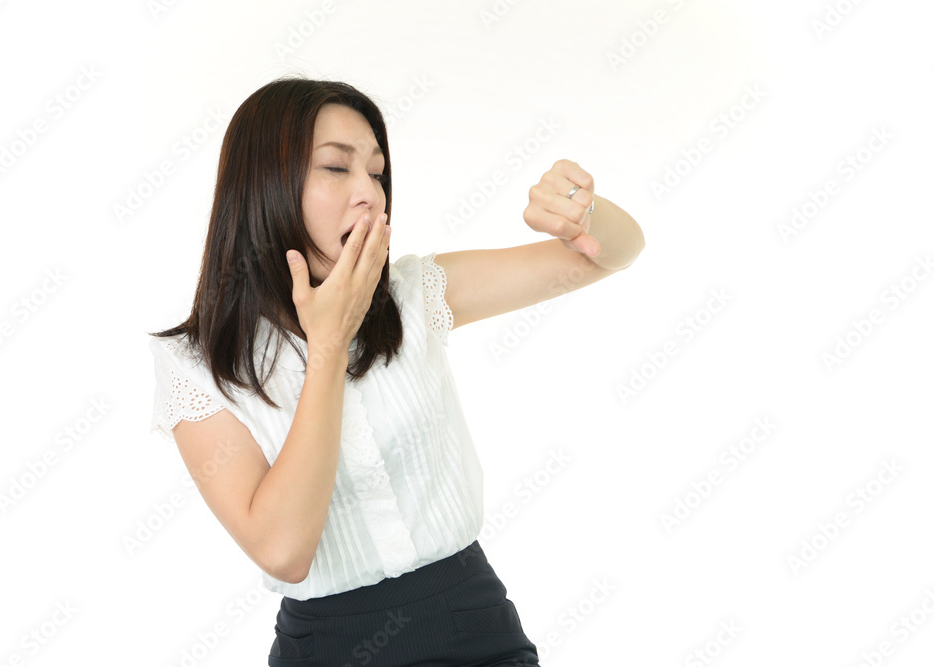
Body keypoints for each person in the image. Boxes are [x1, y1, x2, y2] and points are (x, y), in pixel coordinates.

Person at [147, 75, 644, 666]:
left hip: (473, 624)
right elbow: (284, 551)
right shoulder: (196, 365)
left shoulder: (415, 294)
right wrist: (329, 346)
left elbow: (608, 258)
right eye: (337, 168)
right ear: (263, 187)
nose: (370, 194)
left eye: (378, 173)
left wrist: (583, 214)